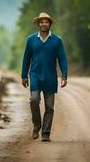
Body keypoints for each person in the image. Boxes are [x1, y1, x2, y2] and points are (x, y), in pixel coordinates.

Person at [21, 12, 68, 142]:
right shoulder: (31, 40)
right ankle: (37, 125)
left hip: (50, 77)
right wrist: (24, 76)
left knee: (49, 107)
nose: (43, 24)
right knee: (34, 100)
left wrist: (64, 76)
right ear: (38, 24)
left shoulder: (57, 41)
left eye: (46, 22)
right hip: (35, 75)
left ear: (50, 24)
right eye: (41, 22)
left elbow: (62, 59)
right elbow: (26, 59)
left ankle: (46, 133)